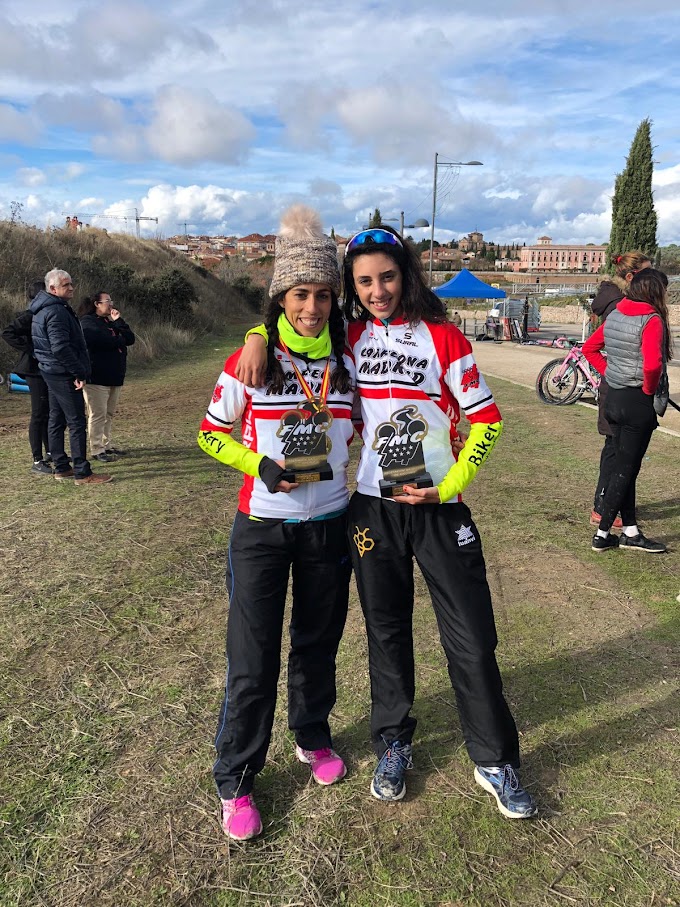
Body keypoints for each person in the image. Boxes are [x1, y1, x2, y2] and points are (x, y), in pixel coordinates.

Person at [239, 225, 537, 819]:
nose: (378, 291)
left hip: (437, 507)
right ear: (353, 287)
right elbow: (290, 323)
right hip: (372, 508)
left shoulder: (446, 338)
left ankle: (495, 760)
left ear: (407, 275)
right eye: (365, 281)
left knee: (473, 637)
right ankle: (392, 743)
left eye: (388, 277)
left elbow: (488, 422)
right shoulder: (346, 337)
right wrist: (253, 332)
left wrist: (449, 486)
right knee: (386, 631)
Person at [197, 205, 356, 842]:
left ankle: (311, 735)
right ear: (280, 298)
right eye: (300, 295)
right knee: (253, 656)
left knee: (318, 642)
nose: (312, 308)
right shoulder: (252, 358)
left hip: (330, 524)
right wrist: (259, 464)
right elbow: (210, 435)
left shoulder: (349, 359)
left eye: (322, 295)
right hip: (262, 528)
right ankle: (236, 776)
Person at [583, 268, 671, 554]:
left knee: (626, 466)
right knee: (626, 469)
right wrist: (648, 389)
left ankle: (630, 530)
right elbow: (652, 364)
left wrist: (612, 373)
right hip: (636, 400)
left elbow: (590, 348)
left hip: (615, 398)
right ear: (655, 291)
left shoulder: (617, 313)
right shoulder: (652, 319)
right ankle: (603, 533)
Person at [30, 269, 112, 486]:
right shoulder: (55, 311)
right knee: (76, 422)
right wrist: (78, 371)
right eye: (66, 285)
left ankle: (61, 467)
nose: (72, 287)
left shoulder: (47, 308)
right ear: (53, 289)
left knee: (56, 418)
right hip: (61, 372)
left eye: (71, 283)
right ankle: (82, 473)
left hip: (51, 370)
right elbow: (60, 347)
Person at [589, 252, 651, 527]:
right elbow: (592, 347)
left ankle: (608, 507)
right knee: (616, 452)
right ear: (631, 277)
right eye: (647, 274)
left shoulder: (618, 302)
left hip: (617, 388)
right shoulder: (620, 307)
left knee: (617, 451)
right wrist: (615, 374)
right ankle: (603, 509)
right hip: (619, 390)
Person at [2, 278, 52, 474]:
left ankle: (51, 453)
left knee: (48, 412)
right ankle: (37, 460)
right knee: (38, 413)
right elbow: (7, 333)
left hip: (46, 368)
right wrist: (31, 349)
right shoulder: (30, 315)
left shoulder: (45, 313)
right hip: (33, 369)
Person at [78, 292, 135, 462]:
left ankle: (106, 445)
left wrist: (118, 322)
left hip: (114, 376)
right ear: (97, 303)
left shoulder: (109, 322)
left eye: (111, 300)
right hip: (97, 377)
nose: (111, 304)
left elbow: (130, 339)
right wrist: (119, 340)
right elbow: (100, 341)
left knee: (109, 413)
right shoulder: (87, 322)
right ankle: (96, 449)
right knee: (97, 414)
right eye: (108, 301)